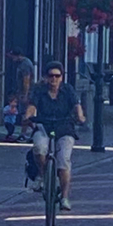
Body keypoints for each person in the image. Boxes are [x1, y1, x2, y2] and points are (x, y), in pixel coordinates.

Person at [24, 61, 85, 211]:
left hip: (64, 128)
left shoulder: (68, 90)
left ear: (62, 77)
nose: (54, 79)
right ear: (45, 77)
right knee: (39, 148)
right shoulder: (39, 90)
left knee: (63, 160)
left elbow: (76, 106)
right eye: (51, 76)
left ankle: (64, 197)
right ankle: (42, 175)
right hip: (44, 126)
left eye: (57, 76)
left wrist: (80, 117)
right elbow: (32, 106)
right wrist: (28, 116)